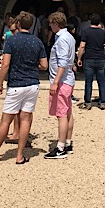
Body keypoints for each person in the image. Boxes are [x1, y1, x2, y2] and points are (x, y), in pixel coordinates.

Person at [0, 11, 47, 165]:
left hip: (16, 83)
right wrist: (31, 64)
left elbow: (5, 64)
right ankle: (20, 155)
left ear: (19, 24)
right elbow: (44, 65)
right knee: (26, 118)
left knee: (6, 120)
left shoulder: (12, 40)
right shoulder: (37, 42)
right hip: (32, 83)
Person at [45, 11, 75, 159]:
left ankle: (60, 147)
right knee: (68, 112)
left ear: (56, 24)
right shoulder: (69, 36)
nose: (50, 26)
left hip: (62, 81)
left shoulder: (62, 39)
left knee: (61, 114)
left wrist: (55, 82)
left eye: (51, 24)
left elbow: (62, 63)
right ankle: (67, 142)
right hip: (68, 79)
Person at [77, 13, 105, 110]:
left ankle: (88, 102)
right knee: (101, 81)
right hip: (100, 58)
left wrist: (79, 58)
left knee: (88, 81)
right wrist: (101, 48)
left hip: (89, 58)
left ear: (90, 22)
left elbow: (82, 46)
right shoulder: (103, 32)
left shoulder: (86, 32)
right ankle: (103, 102)